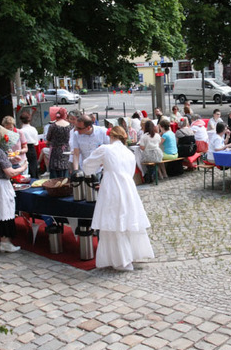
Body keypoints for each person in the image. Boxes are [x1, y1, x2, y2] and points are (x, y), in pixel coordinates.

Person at [82, 126, 155, 271]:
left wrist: (102, 165)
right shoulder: (129, 153)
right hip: (128, 187)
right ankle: (130, 255)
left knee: (113, 222)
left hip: (112, 187)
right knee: (127, 220)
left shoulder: (106, 149)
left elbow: (87, 166)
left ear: (112, 136)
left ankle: (121, 259)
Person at [46, 108, 72, 178]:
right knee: (65, 169)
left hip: (55, 151)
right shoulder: (70, 126)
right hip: (66, 150)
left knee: (55, 172)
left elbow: (48, 138)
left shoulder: (52, 126)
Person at [18, 112, 39, 178]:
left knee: (25, 167)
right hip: (32, 148)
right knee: (33, 166)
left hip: (23, 148)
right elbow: (36, 142)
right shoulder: (33, 129)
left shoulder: (21, 131)